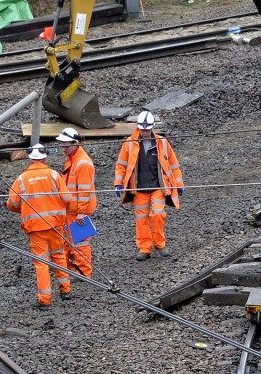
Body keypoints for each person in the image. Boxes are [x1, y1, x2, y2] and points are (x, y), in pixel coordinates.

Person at [6, 143, 73, 310]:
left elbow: (12, 204)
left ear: (30, 159)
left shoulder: (21, 179)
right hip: (56, 225)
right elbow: (67, 199)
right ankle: (66, 290)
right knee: (58, 256)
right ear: (44, 158)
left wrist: (25, 208)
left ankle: (45, 300)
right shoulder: (54, 175)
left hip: (36, 228)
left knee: (41, 262)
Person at [114, 110, 184, 261]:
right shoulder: (129, 144)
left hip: (158, 186)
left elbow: (173, 165)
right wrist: (118, 184)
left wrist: (179, 184)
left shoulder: (162, 143)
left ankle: (160, 244)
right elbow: (121, 165)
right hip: (138, 188)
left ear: (152, 127)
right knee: (141, 220)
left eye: (147, 129)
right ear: (138, 127)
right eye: (142, 129)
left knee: (158, 214)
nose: (144, 132)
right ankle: (145, 248)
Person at [58, 127, 97, 278]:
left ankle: (84, 273)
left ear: (75, 144)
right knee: (69, 243)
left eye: (65, 145)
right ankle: (73, 270)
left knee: (81, 243)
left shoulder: (82, 163)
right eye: (61, 145)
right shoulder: (72, 159)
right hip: (71, 210)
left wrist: (81, 212)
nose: (62, 148)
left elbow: (84, 191)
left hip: (78, 212)